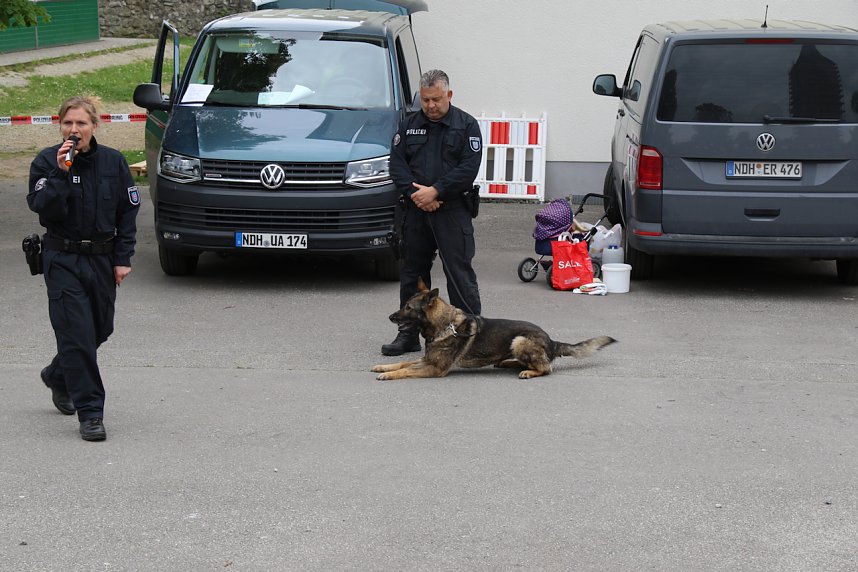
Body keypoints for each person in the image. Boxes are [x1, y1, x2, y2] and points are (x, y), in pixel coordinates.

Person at [27, 96, 140, 442]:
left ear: (94, 126)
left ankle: (58, 375)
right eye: (67, 124)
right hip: (62, 259)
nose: (74, 130)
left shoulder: (113, 162)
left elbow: (127, 212)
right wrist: (61, 173)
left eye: (81, 124)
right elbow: (41, 207)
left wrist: (123, 258)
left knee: (99, 331)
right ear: (59, 125)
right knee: (76, 335)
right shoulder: (48, 161)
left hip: (102, 260)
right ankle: (91, 412)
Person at [382, 69, 483, 356]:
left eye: (436, 99)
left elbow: (468, 169)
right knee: (412, 273)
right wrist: (418, 196)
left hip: (451, 210)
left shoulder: (466, 126)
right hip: (416, 211)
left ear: (449, 95)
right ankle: (409, 334)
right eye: (425, 100)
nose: (431, 106)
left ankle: (471, 334)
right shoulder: (409, 125)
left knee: (458, 272)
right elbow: (397, 164)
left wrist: (436, 191)